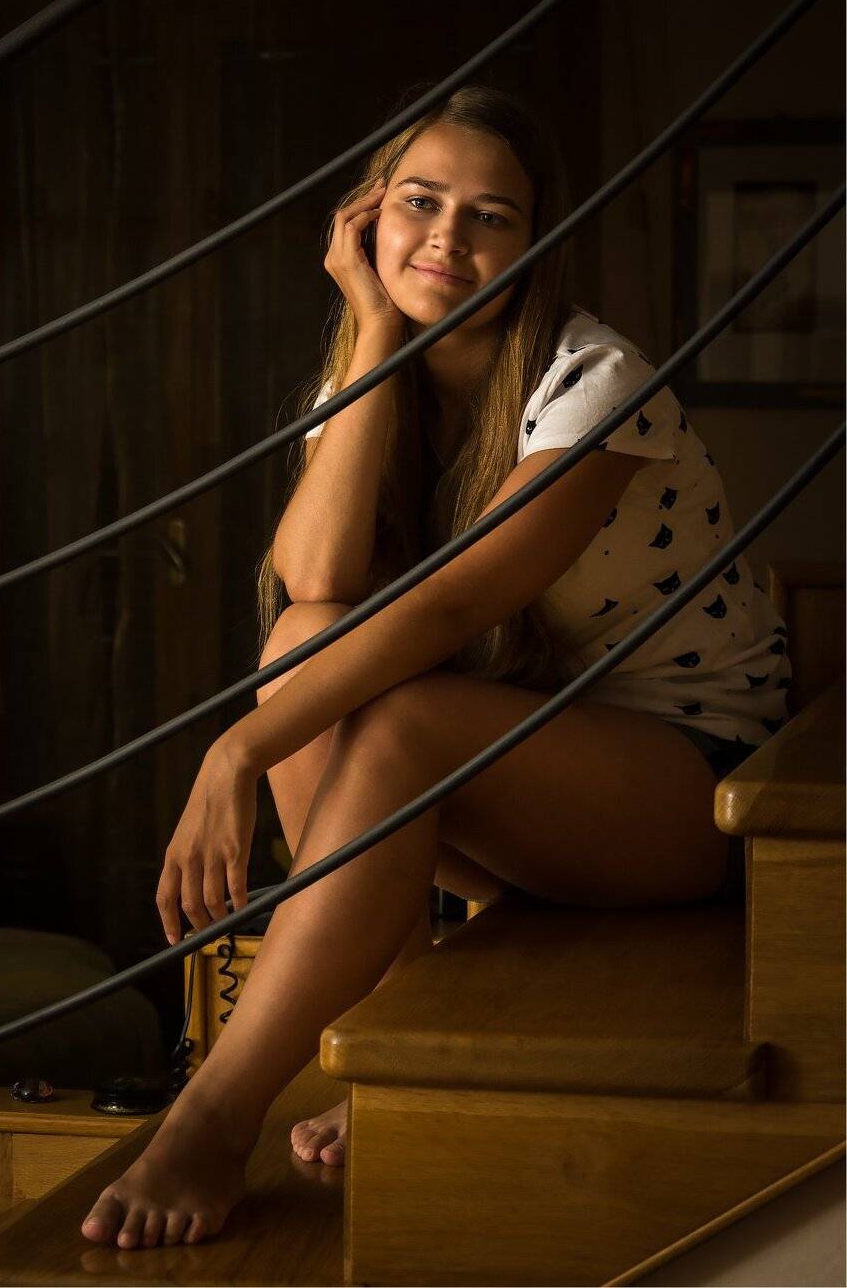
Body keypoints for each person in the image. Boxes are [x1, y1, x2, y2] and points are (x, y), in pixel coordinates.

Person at [80, 84, 791, 1250]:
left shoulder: (598, 385)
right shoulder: (373, 383)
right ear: (367, 216)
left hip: (692, 791)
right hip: (519, 776)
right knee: (301, 645)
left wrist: (235, 752)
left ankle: (212, 1115)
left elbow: (458, 599)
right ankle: (385, 1044)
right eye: (419, 202)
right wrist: (370, 328)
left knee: (393, 720)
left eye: (490, 216)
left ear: (539, 240)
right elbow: (313, 579)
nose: (446, 238)